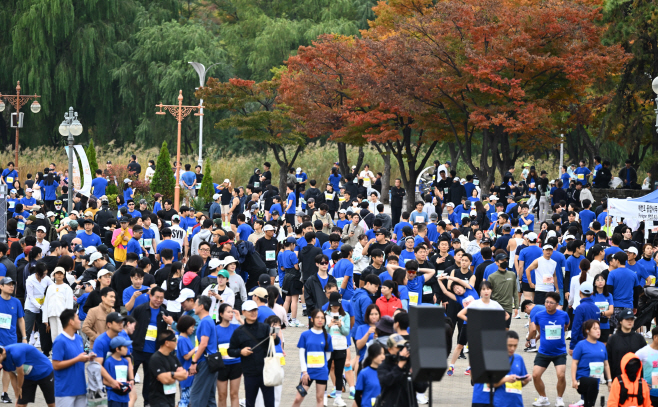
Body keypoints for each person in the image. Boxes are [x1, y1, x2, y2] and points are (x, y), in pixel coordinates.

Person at [227, 300, 280, 407]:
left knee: (270, 403)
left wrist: (275, 337)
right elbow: (230, 351)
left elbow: (276, 341)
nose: (253, 313)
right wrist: (241, 352)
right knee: (250, 403)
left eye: (255, 310)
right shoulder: (239, 332)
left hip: (266, 371)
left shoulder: (264, 327)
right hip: (250, 373)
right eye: (250, 311)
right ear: (243, 312)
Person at [530, 291, 570, 407]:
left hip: (559, 352)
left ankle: (559, 398)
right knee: (536, 375)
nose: (548, 304)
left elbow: (566, 326)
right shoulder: (539, 315)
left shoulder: (563, 315)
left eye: (551, 303)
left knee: (561, 375)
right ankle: (543, 397)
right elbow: (538, 328)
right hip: (543, 351)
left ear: (557, 304)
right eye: (546, 302)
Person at [132, 287, 168, 406]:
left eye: (161, 298)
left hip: (153, 352)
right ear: (150, 296)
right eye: (156, 297)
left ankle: (147, 403)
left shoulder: (164, 312)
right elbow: (129, 327)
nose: (159, 300)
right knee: (129, 376)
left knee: (149, 381)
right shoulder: (140, 309)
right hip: (137, 349)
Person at [293, 309, 333, 407]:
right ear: (312, 319)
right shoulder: (305, 335)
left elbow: (328, 355)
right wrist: (304, 372)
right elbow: (301, 354)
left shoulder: (327, 336)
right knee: (298, 398)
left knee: (320, 399)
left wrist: (321, 364)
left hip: (321, 372)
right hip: (307, 372)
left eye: (322, 318)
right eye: (317, 317)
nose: (320, 320)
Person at [52, 309, 92, 407]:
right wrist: (77, 359)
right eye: (77, 318)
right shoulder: (60, 341)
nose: (80, 321)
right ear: (71, 321)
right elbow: (56, 365)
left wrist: (87, 358)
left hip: (80, 389)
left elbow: (78, 358)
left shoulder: (78, 338)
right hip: (65, 391)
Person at [376, 334, 428, 407]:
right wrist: (399, 366)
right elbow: (387, 382)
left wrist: (416, 373)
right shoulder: (384, 366)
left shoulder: (410, 364)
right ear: (389, 349)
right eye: (399, 347)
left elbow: (422, 388)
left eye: (403, 347)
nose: (402, 349)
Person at [570, 320, 611, 407]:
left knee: (590, 404)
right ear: (587, 331)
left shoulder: (602, 346)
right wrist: (574, 380)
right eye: (595, 329)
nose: (598, 331)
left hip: (596, 381)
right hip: (582, 379)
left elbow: (606, 364)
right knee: (592, 383)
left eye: (599, 329)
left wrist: (609, 381)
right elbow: (574, 363)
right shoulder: (581, 345)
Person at [189, 295, 219, 407]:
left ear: (201, 306)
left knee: (196, 396)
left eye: (196, 304)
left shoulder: (205, 321)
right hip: (210, 362)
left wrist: (194, 361)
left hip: (205, 362)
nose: (194, 307)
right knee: (209, 398)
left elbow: (203, 343)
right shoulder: (208, 320)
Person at [0, 277, 25, 404]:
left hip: (11, 341)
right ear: (1, 286)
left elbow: (21, 319)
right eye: (8, 284)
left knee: (7, 369)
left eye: (12, 284)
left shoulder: (16, 302)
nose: (11, 287)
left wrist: (25, 337)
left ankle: (4, 393)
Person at [323, 292, 350, 407]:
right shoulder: (325, 315)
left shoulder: (345, 316)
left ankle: (338, 397)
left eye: (337, 305)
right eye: (333, 305)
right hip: (328, 347)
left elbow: (346, 332)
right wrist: (328, 326)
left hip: (341, 346)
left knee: (339, 373)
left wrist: (340, 325)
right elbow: (323, 331)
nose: (335, 307)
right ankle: (323, 397)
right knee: (325, 372)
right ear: (330, 304)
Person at [149, 331, 189, 407]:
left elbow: (184, 375)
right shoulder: (156, 358)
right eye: (174, 340)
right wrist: (176, 375)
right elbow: (165, 380)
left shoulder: (173, 357)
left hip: (171, 399)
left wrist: (171, 375)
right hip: (158, 400)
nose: (176, 342)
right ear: (167, 343)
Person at [607, 309, 647, 379]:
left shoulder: (639, 338)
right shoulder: (613, 339)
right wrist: (609, 379)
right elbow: (608, 360)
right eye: (627, 319)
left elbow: (645, 358)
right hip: (618, 378)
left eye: (632, 319)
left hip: (636, 378)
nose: (630, 321)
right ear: (620, 321)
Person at [215, 304, 241, 407]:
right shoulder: (215, 329)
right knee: (222, 395)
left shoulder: (237, 327)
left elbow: (250, 332)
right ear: (221, 314)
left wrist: (240, 319)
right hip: (221, 365)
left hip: (236, 364)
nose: (231, 314)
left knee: (234, 394)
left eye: (232, 312)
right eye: (228, 312)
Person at [42, 267, 74, 342]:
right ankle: (55, 352)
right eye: (57, 273)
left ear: (64, 276)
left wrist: (68, 317)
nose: (59, 275)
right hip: (52, 314)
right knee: (54, 335)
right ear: (54, 275)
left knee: (62, 334)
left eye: (61, 274)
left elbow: (69, 304)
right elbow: (46, 302)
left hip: (62, 315)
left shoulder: (67, 288)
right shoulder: (50, 287)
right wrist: (45, 318)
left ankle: (63, 352)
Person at [569, 281, 601, 354]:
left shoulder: (580, 308)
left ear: (580, 292)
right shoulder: (596, 308)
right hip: (594, 342)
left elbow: (576, 327)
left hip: (582, 342)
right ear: (592, 293)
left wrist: (572, 346)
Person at [104, 335, 134, 407]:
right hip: (113, 397)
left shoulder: (125, 362)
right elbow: (105, 381)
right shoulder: (109, 362)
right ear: (117, 349)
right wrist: (115, 385)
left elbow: (125, 378)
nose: (127, 349)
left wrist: (130, 382)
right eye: (124, 347)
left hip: (124, 396)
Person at [354, 342, 384, 407]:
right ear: (372, 355)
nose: (382, 357)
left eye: (383, 354)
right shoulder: (364, 373)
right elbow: (357, 395)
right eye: (379, 354)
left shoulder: (386, 372)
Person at [175, 315, 197, 407]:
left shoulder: (186, 338)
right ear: (185, 326)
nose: (193, 329)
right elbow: (186, 356)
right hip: (185, 374)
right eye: (191, 327)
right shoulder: (182, 339)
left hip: (189, 374)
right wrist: (196, 348)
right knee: (185, 400)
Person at [634, 327, 658, 406]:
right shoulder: (643, 352)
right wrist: (640, 381)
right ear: (655, 337)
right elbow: (631, 368)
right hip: (649, 394)